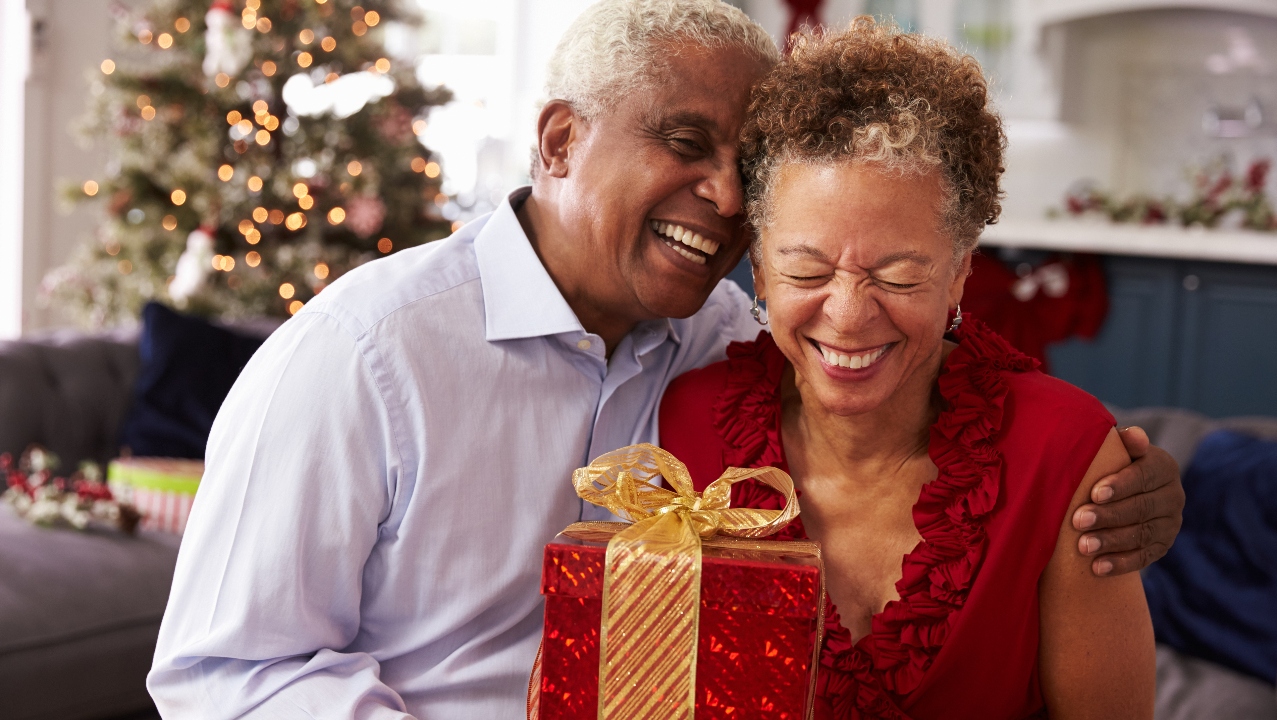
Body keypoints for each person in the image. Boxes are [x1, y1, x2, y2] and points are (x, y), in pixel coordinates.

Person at [148, 2, 1180, 717]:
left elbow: (898, 351)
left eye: (746, 168)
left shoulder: (721, 343)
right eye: (685, 143)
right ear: (557, 141)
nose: (726, 199)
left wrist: (1123, 471)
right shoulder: (364, 356)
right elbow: (225, 669)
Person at [660, 20, 1156, 719]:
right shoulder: (683, 426)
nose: (850, 314)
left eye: (897, 275)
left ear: (958, 277)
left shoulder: (1066, 452)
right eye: (807, 269)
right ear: (760, 272)